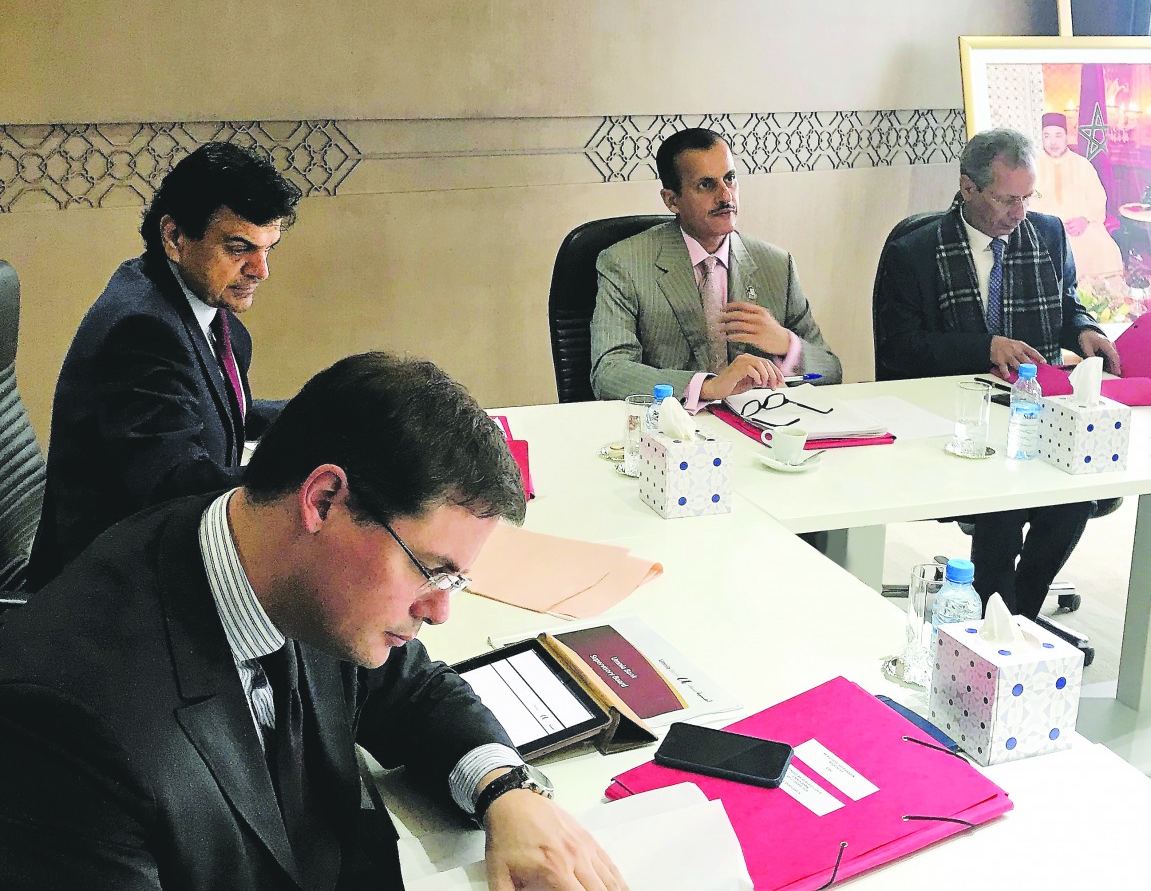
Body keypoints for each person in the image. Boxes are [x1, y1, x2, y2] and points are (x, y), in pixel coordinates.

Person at [0, 352, 627, 891]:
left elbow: (410, 691)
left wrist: (506, 791)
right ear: (324, 501)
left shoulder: (285, 565)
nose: (439, 611)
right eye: (430, 571)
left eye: (454, 580)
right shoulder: (64, 722)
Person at [27, 141, 301, 589]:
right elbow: (177, 485)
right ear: (173, 237)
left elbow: (223, 411)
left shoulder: (191, 307)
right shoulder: (141, 331)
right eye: (239, 249)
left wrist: (321, 415)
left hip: (158, 556)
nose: (260, 270)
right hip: (113, 589)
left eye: (268, 249)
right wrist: (306, 479)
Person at [875, 127, 1121, 619]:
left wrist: (1084, 330)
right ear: (968, 188)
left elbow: (1066, 305)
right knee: (1003, 502)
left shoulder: (1047, 235)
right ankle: (996, 623)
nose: (1020, 213)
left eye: (1028, 197)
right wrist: (984, 347)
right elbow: (899, 349)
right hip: (955, 420)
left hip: (1034, 411)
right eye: (1008, 199)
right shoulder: (914, 253)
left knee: (1075, 497)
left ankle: (1014, 618)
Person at [590, 127, 842, 407]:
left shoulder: (777, 265)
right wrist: (707, 386)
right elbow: (609, 373)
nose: (725, 196)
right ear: (672, 200)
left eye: (730, 179)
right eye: (706, 185)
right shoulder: (625, 264)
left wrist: (785, 344)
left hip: (757, 422)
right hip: (672, 424)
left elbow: (831, 371)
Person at [1031, 112, 1123, 278]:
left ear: (1067, 137)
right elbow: (1025, 202)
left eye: (1058, 135)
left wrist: (1084, 219)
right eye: (1047, 136)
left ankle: (1098, 294)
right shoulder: (1032, 166)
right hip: (1046, 229)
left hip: (1081, 227)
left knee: (1106, 251)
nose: (1053, 142)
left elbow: (1098, 198)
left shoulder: (1082, 165)